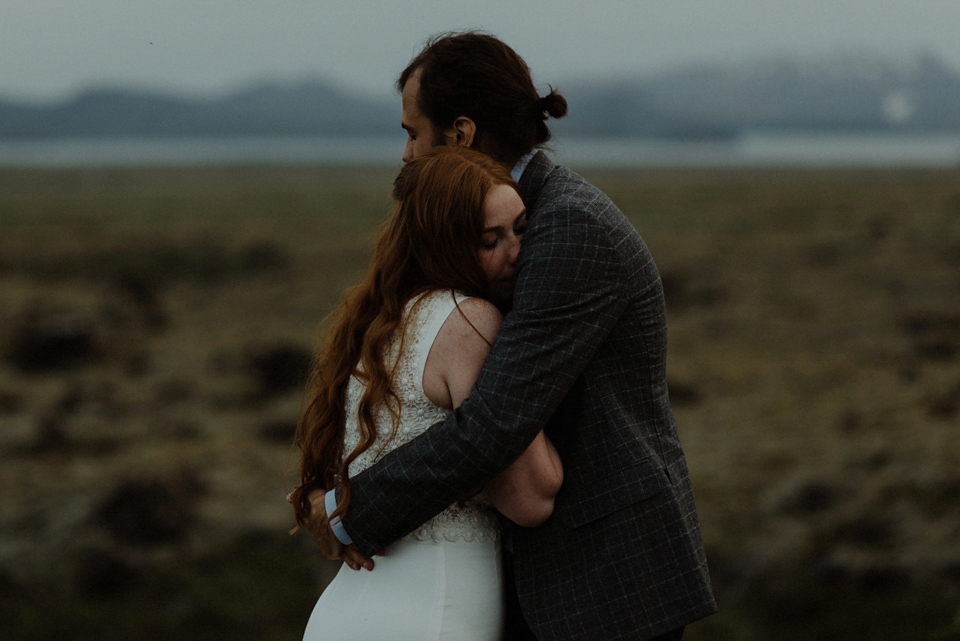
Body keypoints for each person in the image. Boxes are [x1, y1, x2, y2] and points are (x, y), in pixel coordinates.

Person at [299, 32, 717, 640]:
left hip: (605, 583)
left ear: (461, 133)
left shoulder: (567, 226)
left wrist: (347, 514)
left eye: (412, 133)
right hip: (540, 574)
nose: (407, 156)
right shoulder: (499, 223)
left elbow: (494, 423)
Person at [290, 147, 564, 640]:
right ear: (445, 247)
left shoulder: (380, 324)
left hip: (346, 610)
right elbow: (532, 496)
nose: (516, 254)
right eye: (489, 241)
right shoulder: (470, 321)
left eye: (522, 229)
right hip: (433, 608)